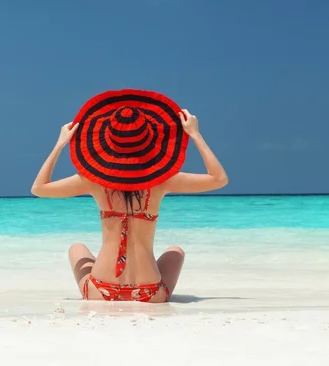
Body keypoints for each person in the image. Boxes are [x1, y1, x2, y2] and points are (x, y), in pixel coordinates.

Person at [31, 89, 228, 302]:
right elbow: (219, 179)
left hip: (100, 291)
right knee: (175, 251)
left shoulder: (93, 182)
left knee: (76, 248)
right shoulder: (162, 181)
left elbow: (39, 188)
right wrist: (195, 134)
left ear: (106, 143)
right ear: (151, 143)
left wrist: (60, 143)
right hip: (151, 293)